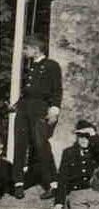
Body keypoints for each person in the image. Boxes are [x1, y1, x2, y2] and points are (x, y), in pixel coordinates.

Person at [11, 33, 61, 198]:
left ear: (36, 49)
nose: (24, 52)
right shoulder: (31, 66)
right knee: (20, 145)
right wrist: (16, 105)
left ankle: (53, 184)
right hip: (24, 110)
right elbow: (27, 91)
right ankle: (18, 184)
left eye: (26, 48)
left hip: (40, 110)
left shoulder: (52, 65)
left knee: (41, 146)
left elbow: (57, 90)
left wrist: (54, 110)